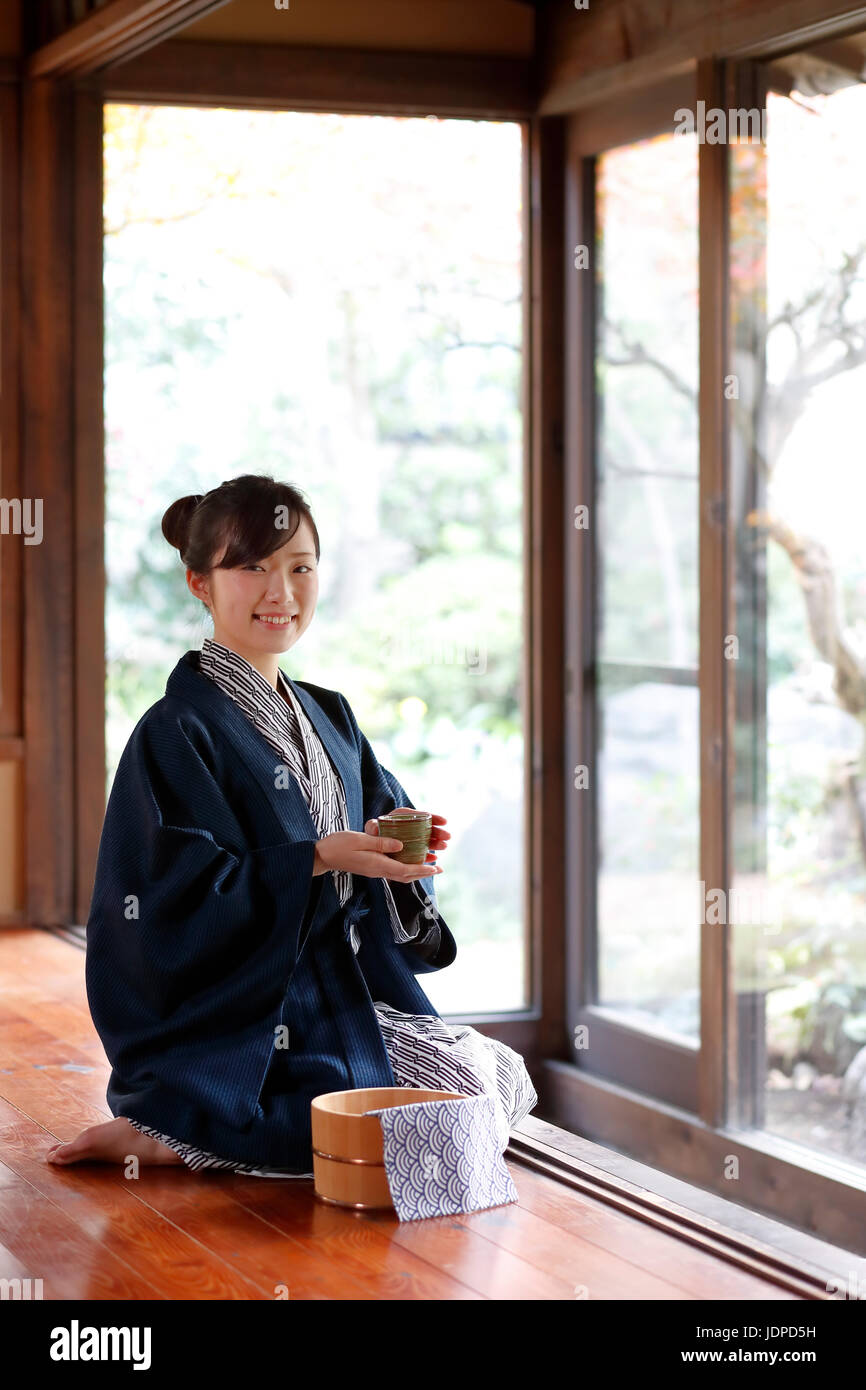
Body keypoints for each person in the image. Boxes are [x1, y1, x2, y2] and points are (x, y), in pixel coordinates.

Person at [47, 475, 537, 1175]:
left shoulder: (330, 717)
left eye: (299, 567)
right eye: (252, 567)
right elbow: (164, 906)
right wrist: (315, 857)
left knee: (501, 1076)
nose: (281, 592)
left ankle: (190, 1135)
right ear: (199, 583)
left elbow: (375, 852)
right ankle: (173, 1126)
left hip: (342, 992)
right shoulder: (174, 732)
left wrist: (395, 859)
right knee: (448, 1111)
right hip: (247, 1024)